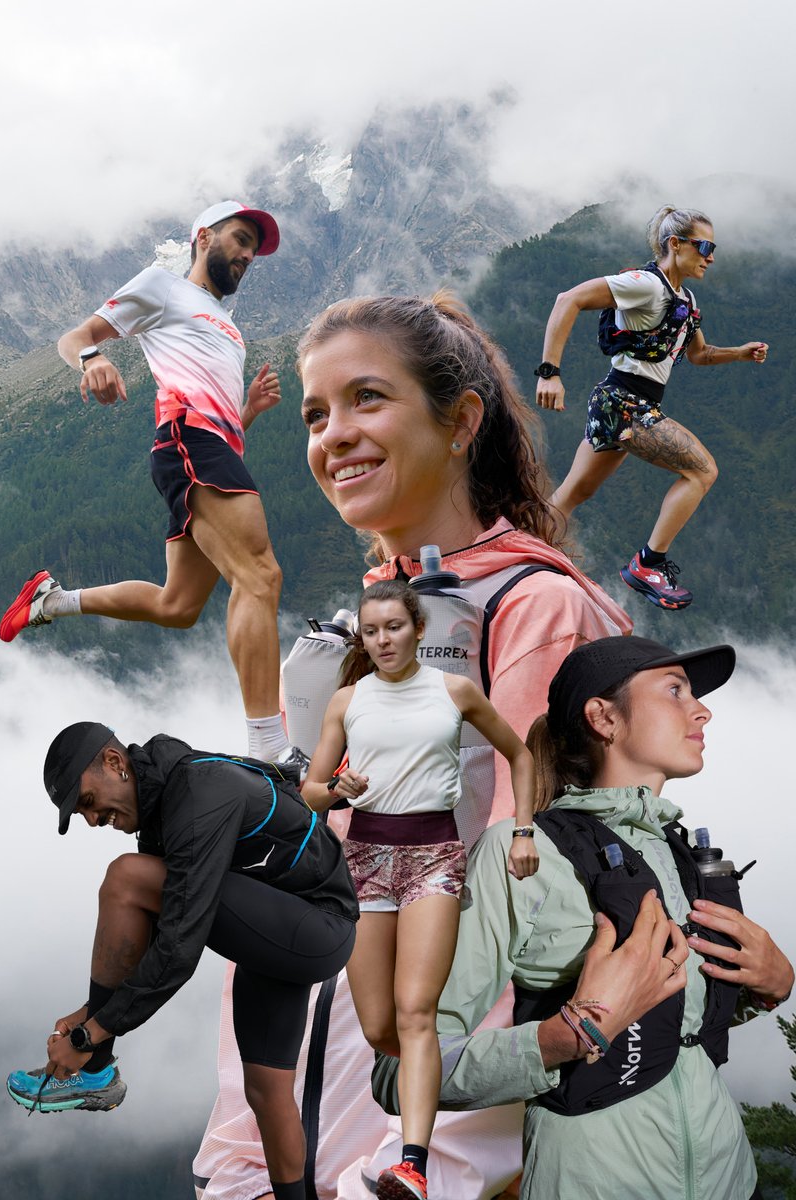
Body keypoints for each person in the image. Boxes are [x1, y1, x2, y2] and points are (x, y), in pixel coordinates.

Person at [193, 292, 633, 1200]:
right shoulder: (373, 624)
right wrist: (236, 1169)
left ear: (462, 420)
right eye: (316, 414)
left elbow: (534, 933)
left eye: (367, 399)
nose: (333, 435)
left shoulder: (537, 612)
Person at [370, 635, 794, 1200]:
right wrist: (562, 1037)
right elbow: (398, 1073)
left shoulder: (680, 854)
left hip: (731, 1179)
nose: (702, 709)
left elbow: (672, 1022)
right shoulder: (520, 856)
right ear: (604, 718)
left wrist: (768, 988)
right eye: (675, 690)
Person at [0, 200, 301, 767]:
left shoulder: (229, 328)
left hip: (210, 446)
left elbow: (221, 418)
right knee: (260, 577)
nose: (244, 255)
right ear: (203, 237)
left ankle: (52, 602)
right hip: (189, 443)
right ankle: (272, 749)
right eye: (239, 239)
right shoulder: (162, 287)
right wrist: (91, 359)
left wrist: (248, 412)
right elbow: (77, 335)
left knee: (178, 605)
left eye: (252, 252)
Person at [6, 721, 358, 1200]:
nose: (91, 820)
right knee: (265, 1092)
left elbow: (178, 947)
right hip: (274, 928)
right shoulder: (160, 807)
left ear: (114, 763)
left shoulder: (197, 794)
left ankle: (95, 1069)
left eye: (87, 802)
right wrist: (89, 1015)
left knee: (127, 877)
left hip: (317, 925)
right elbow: (150, 937)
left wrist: (93, 1033)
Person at [302, 579, 538, 1200]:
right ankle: (447, 1086)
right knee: (382, 1027)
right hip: (365, 860)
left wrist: (522, 832)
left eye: (394, 627)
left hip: (435, 856)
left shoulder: (454, 691)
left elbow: (521, 755)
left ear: (418, 630)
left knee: (416, 1014)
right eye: (371, 630)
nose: (383, 640)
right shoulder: (347, 702)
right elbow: (311, 792)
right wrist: (338, 793)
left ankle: (413, 1162)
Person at [535, 205, 769, 610]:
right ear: (674, 244)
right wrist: (549, 372)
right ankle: (648, 564)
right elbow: (567, 299)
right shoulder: (645, 284)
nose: (710, 256)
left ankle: (516, 551)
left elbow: (699, 354)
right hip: (626, 402)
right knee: (702, 470)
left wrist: (740, 353)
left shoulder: (686, 300)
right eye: (704, 246)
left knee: (574, 493)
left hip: (618, 402)